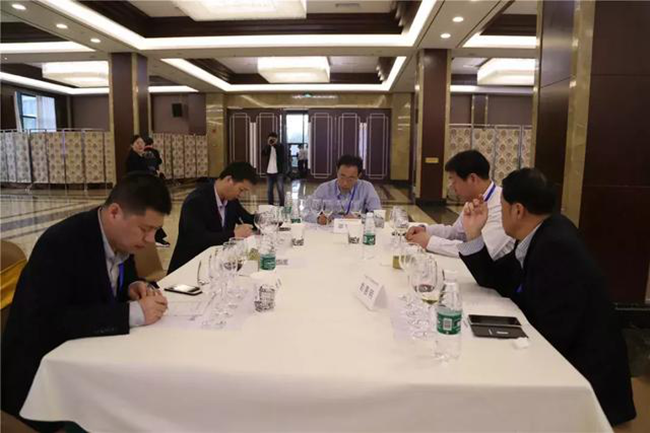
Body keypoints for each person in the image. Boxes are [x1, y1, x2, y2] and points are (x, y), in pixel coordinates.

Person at [458, 168, 636, 426]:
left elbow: (553, 332)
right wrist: (474, 233)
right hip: (565, 356)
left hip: (586, 382)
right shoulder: (541, 231)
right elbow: (497, 279)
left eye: (503, 206)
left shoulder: (556, 246)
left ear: (518, 210)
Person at [1, 172, 171, 432]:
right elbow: (49, 322)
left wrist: (133, 286)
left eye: (155, 230)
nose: (150, 240)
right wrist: (132, 313)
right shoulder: (62, 244)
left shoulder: (121, 239)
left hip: (98, 358)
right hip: (46, 383)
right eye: (145, 229)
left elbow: (117, 278)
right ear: (114, 212)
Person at [406, 150, 514, 259]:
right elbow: (457, 232)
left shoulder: (502, 204)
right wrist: (426, 230)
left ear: (472, 179)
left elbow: (479, 250)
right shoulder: (474, 200)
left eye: (454, 181)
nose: (452, 187)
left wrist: (429, 242)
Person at [168, 162, 257, 273]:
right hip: (191, 267)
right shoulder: (196, 201)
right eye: (241, 190)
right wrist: (233, 234)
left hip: (217, 265)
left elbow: (248, 219)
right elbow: (197, 239)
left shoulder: (231, 201)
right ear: (229, 180)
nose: (241, 195)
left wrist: (269, 219)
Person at [309, 154, 381, 225]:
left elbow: (378, 214)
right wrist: (318, 218)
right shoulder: (324, 188)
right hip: (330, 229)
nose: (345, 183)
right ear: (337, 171)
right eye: (342, 176)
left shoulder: (366, 188)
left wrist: (359, 218)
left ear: (359, 176)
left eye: (351, 179)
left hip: (355, 229)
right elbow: (306, 211)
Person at [126, 136, 170, 248]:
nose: (140, 145)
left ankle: (154, 237)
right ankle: (155, 238)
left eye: (142, 143)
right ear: (132, 145)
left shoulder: (141, 157)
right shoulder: (132, 158)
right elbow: (135, 175)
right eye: (137, 143)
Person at [261, 132, 287, 206]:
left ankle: (282, 205)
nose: (272, 140)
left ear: (277, 139)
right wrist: (268, 145)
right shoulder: (268, 147)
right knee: (269, 190)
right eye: (270, 139)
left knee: (280, 189)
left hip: (278, 172)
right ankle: (270, 205)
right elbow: (263, 154)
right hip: (269, 172)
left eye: (273, 139)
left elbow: (282, 156)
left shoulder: (280, 146)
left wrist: (275, 145)